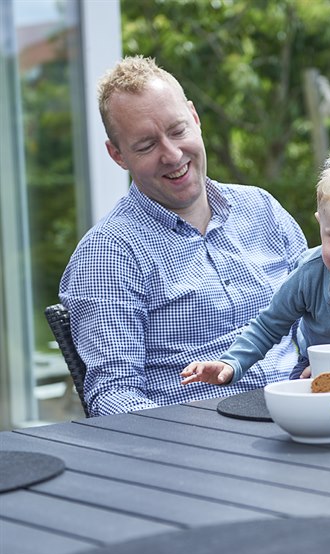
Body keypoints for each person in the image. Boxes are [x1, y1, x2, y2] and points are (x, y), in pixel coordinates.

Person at [59, 55, 308, 416]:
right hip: (203, 444)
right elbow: (113, 396)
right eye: (146, 145)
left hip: (308, 415)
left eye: (177, 131)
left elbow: (320, 318)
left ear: (194, 117)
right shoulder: (108, 255)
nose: (172, 154)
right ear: (118, 155)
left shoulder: (262, 209)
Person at [181, 144, 330, 388]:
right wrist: (231, 363)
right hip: (313, 370)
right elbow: (269, 324)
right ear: (321, 224)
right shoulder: (310, 272)